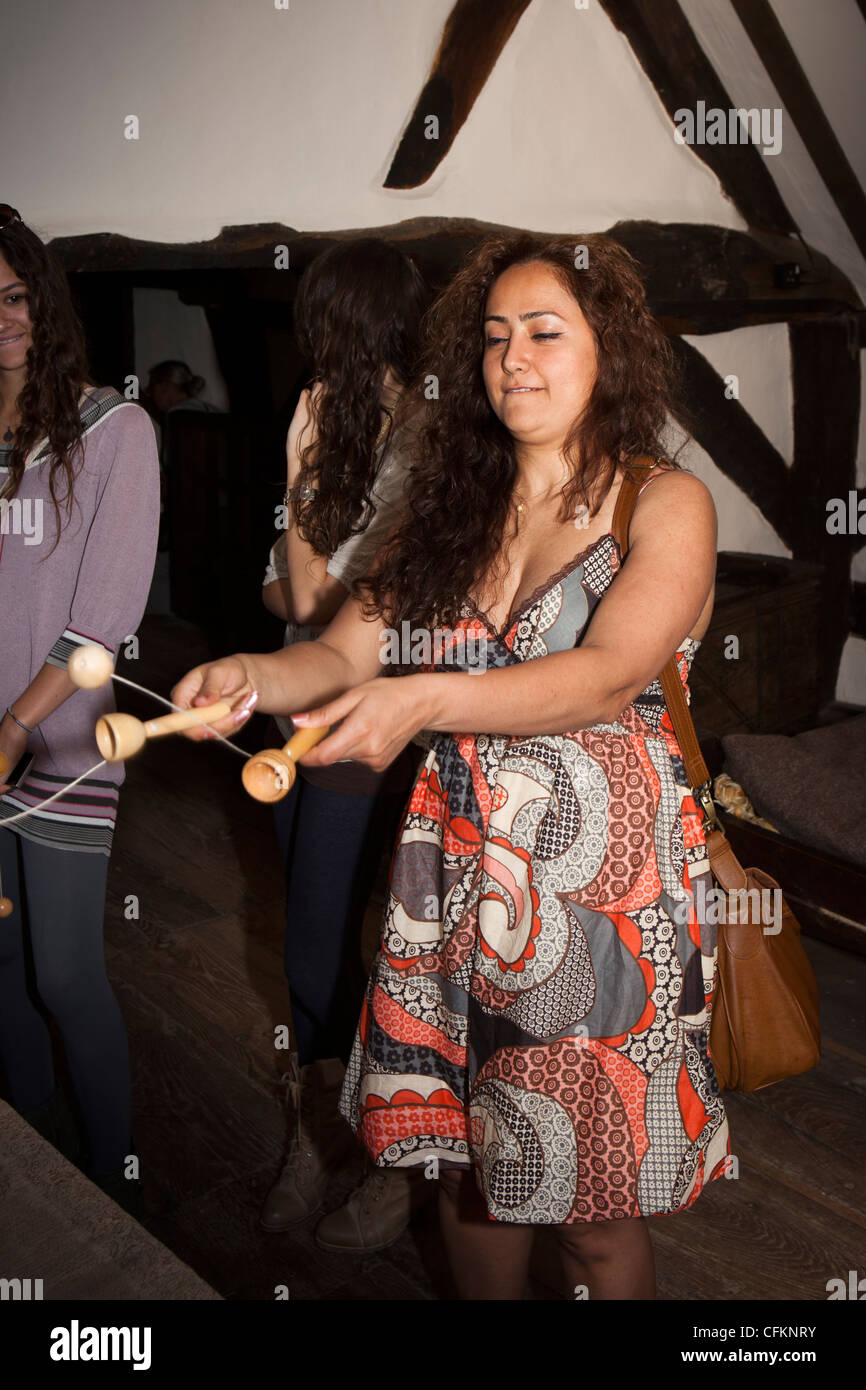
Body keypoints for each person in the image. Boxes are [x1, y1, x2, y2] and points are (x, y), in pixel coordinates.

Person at [171, 231, 730, 1299]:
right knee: (468, 1181)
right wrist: (245, 670)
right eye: (492, 336)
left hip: (600, 896)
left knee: (590, 1214)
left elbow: (607, 675)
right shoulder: (452, 508)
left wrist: (427, 698)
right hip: (453, 881)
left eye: (543, 331)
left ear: (607, 348)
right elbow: (340, 651)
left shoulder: (660, 502)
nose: (512, 356)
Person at [256, 239, 429, 1250]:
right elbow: (276, 589)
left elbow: (323, 605)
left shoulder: (425, 440)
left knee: (335, 945)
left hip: (371, 728)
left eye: (338, 337)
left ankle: (382, 1154)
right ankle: (327, 1126)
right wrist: (299, 499)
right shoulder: (336, 423)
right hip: (295, 717)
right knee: (311, 946)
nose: (327, 362)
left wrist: (297, 473)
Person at [0, 206, 160, 1208]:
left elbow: (99, 630)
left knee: (61, 971)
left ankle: (118, 1181)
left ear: (43, 305)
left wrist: (15, 724)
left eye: (13, 299)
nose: (1, 321)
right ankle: (34, 1160)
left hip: (58, 744)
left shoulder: (111, 428)